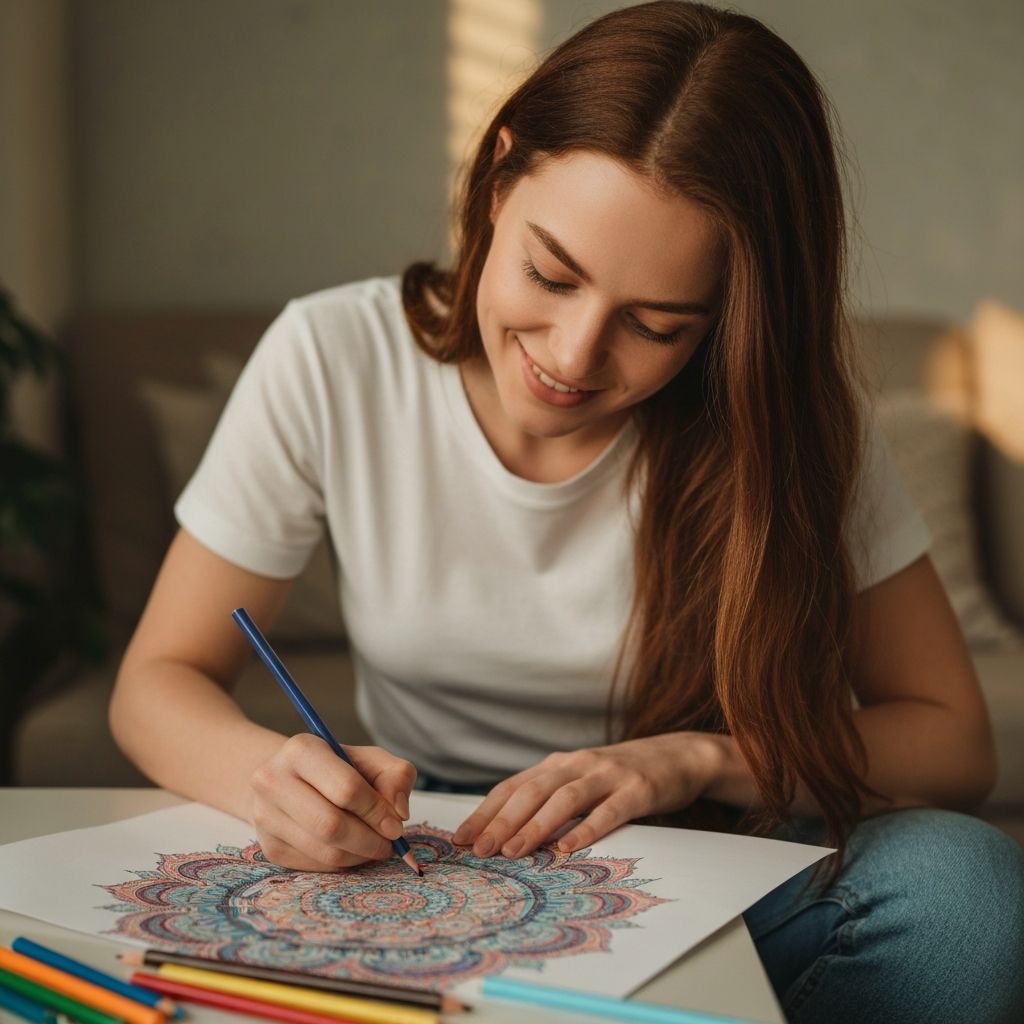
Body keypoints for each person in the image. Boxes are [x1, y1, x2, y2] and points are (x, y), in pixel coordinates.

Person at [109, 2, 1024, 1021]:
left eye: (655, 324)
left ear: (729, 319)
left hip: (711, 846)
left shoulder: (789, 421)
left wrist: (696, 755)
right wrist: (273, 779)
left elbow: (954, 743)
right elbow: (155, 681)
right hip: (424, 851)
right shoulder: (333, 355)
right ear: (498, 177)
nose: (573, 357)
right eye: (552, 273)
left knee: (965, 894)